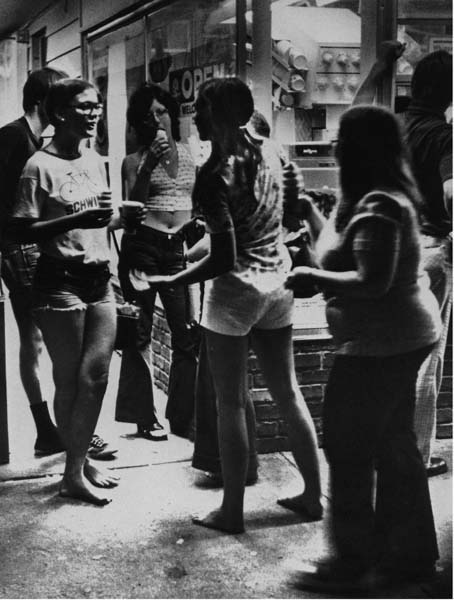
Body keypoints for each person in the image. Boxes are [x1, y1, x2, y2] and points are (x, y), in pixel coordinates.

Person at [133, 77, 323, 534]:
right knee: (289, 393)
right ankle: (314, 495)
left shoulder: (215, 173)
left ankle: (232, 511)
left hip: (235, 295)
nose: (192, 117)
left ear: (217, 114)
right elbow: (294, 214)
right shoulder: (276, 152)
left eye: (199, 110)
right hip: (277, 285)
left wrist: (171, 277)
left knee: (231, 404)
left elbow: (223, 257)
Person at [286, 105, 442, 591]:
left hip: (384, 343)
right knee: (393, 444)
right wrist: (309, 212)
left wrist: (313, 277)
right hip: (391, 339)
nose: (333, 149)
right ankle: (408, 554)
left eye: (340, 143)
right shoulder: (361, 201)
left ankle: (351, 561)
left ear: (355, 151)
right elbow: (340, 252)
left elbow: (371, 281)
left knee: (348, 445)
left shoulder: (382, 205)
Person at [7, 78, 133, 505]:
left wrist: (120, 218)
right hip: (58, 281)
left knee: (95, 377)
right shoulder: (37, 166)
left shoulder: (96, 159)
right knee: (70, 380)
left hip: (99, 279)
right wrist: (71, 221)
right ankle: (72, 474)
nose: (94, 112)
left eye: (97, 105)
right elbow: (21, 228)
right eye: (84, 106)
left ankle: (79, 461)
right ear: (60, 113)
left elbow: (100, 220)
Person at [116, 82, 198, 440]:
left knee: (185, 334)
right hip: (143, 246)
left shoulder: (189, 154)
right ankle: (143, 416)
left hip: (177, 248)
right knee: (140, 333)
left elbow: (194, 200)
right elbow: (132, 210)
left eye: (161, 110)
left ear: (171, 113)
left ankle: (182, 416)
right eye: (148, 114)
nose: (156, 118)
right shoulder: (133, 160)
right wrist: (148, 166)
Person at [0, 68, 67, 457]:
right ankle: (52, 426)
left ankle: (49, 429)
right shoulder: (12, 136)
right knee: (46, 336)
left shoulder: (36, 140)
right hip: (19, 251)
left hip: (30, 248)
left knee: (38, 338)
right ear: (43, 101)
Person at [405, 50, 452, 477]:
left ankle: (389, 447)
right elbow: (453, 190)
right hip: (434, 248)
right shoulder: (443, 135)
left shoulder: (397, 129)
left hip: (397, 248)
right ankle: (417, 455)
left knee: (396, 354)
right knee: (427, 358)